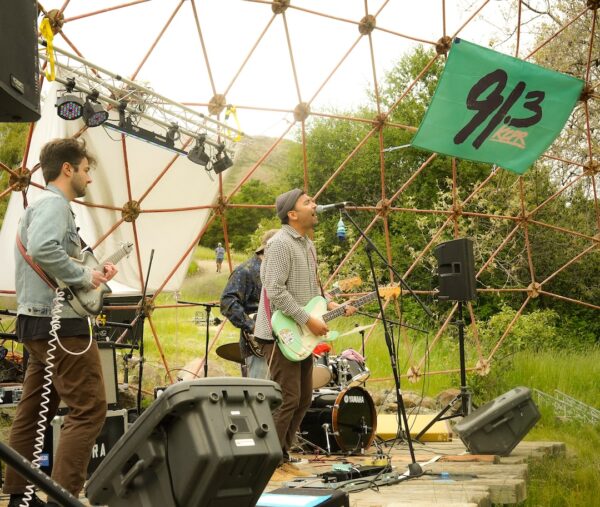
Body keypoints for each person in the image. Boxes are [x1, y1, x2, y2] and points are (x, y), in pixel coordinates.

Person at [4, 138, 118, 507]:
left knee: (34, 411)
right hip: (61, 326)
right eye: (85, 170)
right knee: (89, 409)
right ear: (67, 169)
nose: (89, 177)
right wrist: (84, 276)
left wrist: (92, 272)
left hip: (38, 323)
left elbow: (52, 255)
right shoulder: (54, 205)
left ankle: (18, 496)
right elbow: (43, 249)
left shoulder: (44, 206)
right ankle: (63, 499)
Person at [253, 188, 355, 470]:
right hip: (280, 333)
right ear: (292, 214)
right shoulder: (280, 244)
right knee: (288, 398)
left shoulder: (308, 244)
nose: (315, 205)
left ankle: (282, 456)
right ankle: (268, 461)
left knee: (303, 398)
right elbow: (275, 290)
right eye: (307, 202)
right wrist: (307, 320)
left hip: (300, 332)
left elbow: (312, 294)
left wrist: (332, 304)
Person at [219, 229, 278, 379]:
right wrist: (253, 326)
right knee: (261, 391)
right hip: (256, 347)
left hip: (281, 342)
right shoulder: (245, 271)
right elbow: (227, 302)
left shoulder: (275, 272)